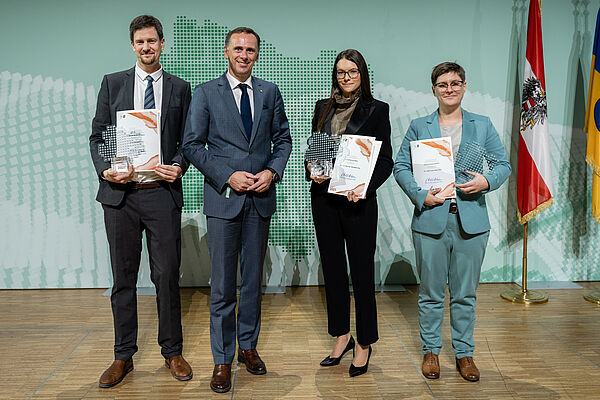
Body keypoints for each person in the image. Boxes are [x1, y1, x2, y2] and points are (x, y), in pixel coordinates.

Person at [182, 27, 292, 393]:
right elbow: (193, 146)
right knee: (223, 285)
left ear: (257, 55)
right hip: (223, 201)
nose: (244, 54)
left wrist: (271, 171)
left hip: (260, 201)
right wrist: (228, 176)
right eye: (238, 48)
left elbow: (283, 140)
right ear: (226, 52)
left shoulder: (269, 92)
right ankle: (222, 359)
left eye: (251, 49)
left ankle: (248, 347)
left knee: (252, 283)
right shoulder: (205, 93)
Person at [89, 15, 193, 388]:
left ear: (162, 44)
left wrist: (179, 165)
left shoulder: (181, 89)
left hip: (161, 195)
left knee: (166, 276)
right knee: (123, 279)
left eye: (152, 41)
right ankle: (123, 355)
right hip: (120, 196)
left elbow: (188, 142)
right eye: (140, 42)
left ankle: (172, 351)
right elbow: (99, 136)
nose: (146, 47)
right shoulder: (112, 83)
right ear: (132, 46)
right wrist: (105, 171)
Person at [394, 62, 511, 382]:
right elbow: (401, 166)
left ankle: (464, 353)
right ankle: (431, 351)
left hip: (471, 222)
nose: (449, 88)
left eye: (455, 83)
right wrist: (421, 196)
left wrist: (486, 182)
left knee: (465, 293)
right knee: (431, 293)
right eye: (443, 84)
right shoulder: (420, 125)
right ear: (433, 89)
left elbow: (503, 165)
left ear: (464, 86)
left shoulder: (482, 125)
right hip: (431, 220)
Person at [306, 49, 392, 377]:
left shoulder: (377, 109)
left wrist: (366, 187)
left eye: (352, 72)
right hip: (324, 200)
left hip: (358, 202)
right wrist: (311, 168)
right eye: (341, 72)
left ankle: (365, 342)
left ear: (362, 74)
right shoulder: (322, 107)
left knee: (361, 273)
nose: (346, 78)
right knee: (334, 270)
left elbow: (385, 160)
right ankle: (342, 335)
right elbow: (316, 149)